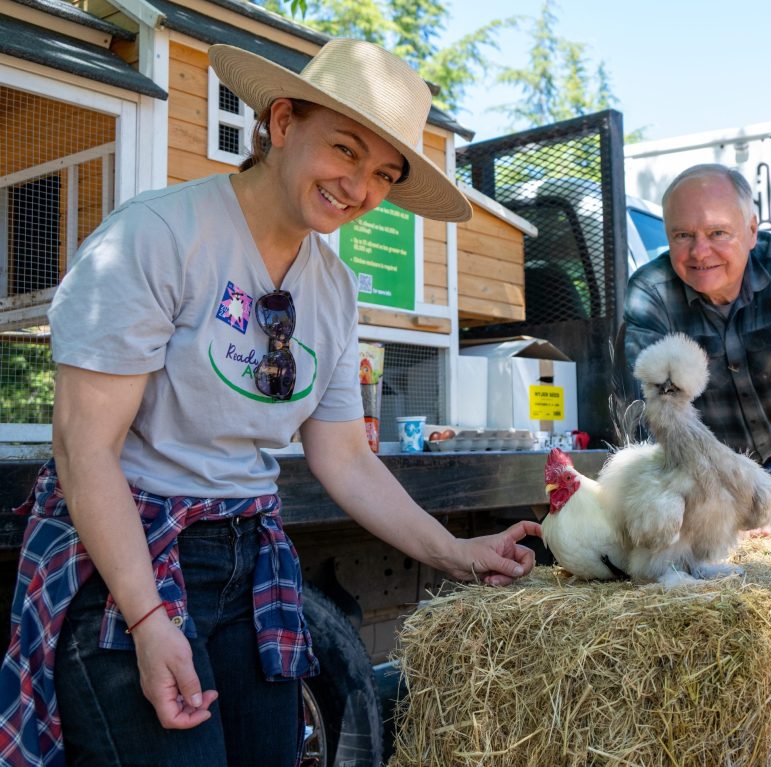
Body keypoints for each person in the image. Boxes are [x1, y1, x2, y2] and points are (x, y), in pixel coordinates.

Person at [0, 39, 542, 767]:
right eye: (345, 151)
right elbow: (84, 449)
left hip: (251, 557)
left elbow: (343, 455)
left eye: (382, 173)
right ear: (282, 123)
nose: (359, 188)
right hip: (130, 558)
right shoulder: (158, 235)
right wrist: (149, 617)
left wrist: (456, 551)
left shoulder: (334, 287)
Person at [616, 163, 771, 537]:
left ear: (751, 230)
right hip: (699, 466)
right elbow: (651, 417)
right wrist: (693, 509)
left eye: (718, 232)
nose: (700, 252)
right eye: (683, 235)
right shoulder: (649, 292)